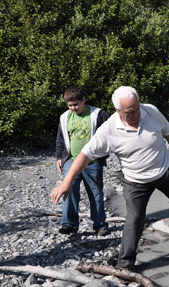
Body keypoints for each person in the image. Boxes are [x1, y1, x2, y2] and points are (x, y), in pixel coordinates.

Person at [51, 86, 169, 270]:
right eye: (130, 112)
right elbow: (84, 155)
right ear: (118, 111)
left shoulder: (151, 111)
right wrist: (66, 182)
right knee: (134, 220)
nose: (136, 114)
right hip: (136, 181)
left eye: (137, 108)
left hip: (166, 172)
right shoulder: (108, 129)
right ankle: (125, 262)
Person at [55, 85, 109, 236]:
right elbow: (60, 139)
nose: (73, 108)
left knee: (96, 193)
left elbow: (111, 134)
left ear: (83, 100)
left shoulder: (98, 114)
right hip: (71, 160)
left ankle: (100, 225)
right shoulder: (65, 117)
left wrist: (103, 156)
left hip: (92, 161)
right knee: (69, 190)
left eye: (76, 104)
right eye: (70, 105)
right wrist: (59, 157)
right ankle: (68, 224)